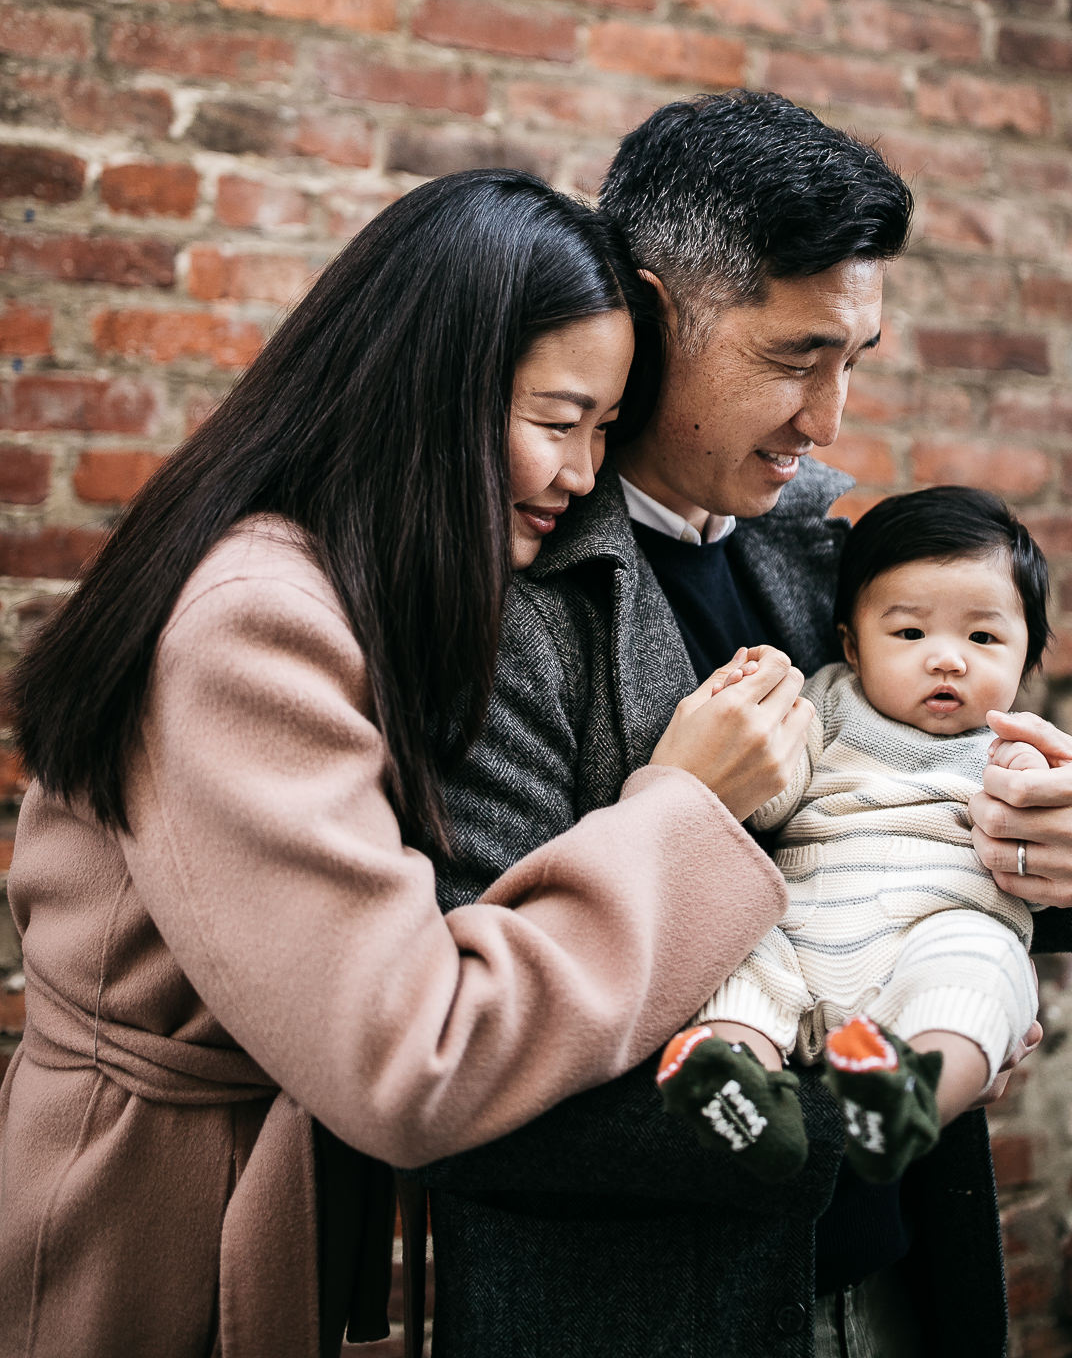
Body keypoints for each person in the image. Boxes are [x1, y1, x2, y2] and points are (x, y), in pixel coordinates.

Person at [0, 170, 812, 1358]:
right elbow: (411, 1055)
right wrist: (684, 811)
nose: (581, 475)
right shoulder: (251, 623)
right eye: (554, 420)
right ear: (429, 390)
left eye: (602, 431)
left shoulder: (360, 583)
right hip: (143, 1241)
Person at [418, 94, 1072, 1358]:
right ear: (649, 317)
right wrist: (841, 1110)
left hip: (907, 1280)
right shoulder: (497, 606)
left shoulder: (831, 547)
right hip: (650, 1312)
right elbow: (475, 1061)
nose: (830, 420)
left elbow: (928, 802)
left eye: (853, 360)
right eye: (792, 358)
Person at [659, 486, 1066, 1189]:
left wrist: (1036, 795)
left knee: (986, 969)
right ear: (852, 643)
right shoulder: (823, 702)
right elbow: (764, 804)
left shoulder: (1018, 749)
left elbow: (1057, 860)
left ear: (1026, 651)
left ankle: (908, 1099)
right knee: (736, 948)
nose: (947, 660)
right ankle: (742, 1090)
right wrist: (751, 727)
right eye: (909, 634)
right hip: (800, 927)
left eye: (983, 637)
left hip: (931, 935)